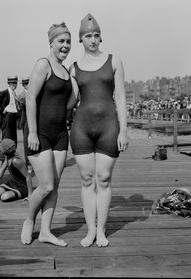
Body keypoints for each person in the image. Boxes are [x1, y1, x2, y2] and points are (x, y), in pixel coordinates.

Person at [69, 13, 129, 247]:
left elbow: (121, 99)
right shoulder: (74, 68)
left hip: (108, 127)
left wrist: (124, 131)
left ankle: (101, 230)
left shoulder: (114, 61)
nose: (92, 40)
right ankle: (90, 231)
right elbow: (71, 101)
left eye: (96, 35)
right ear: (81, 40)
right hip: (81, 128)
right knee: (86, 180)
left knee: (103, 179)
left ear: (100, 38)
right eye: (87, 36)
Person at [21, 21, 73, 246]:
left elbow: (68, 104)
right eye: (61, 41)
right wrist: (32, 131)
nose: (65, 45)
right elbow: (30, 98)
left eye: (69, 41)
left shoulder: (65, 70)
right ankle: (29, 220)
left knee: (55, 184)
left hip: (61, 134)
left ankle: (45, 231)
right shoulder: (44, 64)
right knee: (46, 185)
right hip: (39, 133)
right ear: (51, 42)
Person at [0, 76, 21, 145]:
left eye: (15, 83)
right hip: (7, 116)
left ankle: (12, 152)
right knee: (7, 136)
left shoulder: (14, 94)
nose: (14, 85)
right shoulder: (5, 93)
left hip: (14, 117)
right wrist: (3, 109)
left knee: (13, 136)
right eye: (12, 83)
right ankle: (6, 152)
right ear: (8, 84)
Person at [18, 77, 31, 165]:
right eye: (25, 84)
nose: (27, 85)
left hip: (35, 120)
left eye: (28, 83)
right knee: (26, 141)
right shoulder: (21, 96)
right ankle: (28, 162)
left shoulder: (34, 93)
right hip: (26, 120)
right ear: (23, 85)